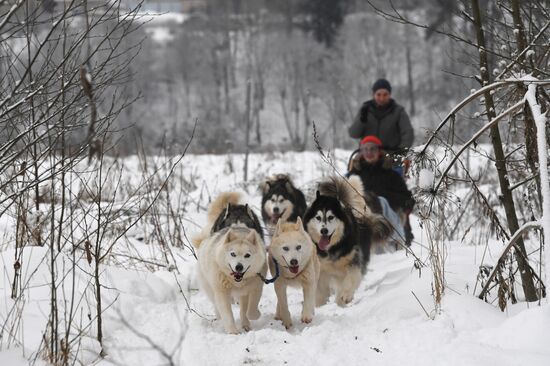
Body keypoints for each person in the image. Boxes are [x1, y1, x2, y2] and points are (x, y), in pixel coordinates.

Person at [349, 135, 415, 247]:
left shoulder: (392, 175)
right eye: (365, 149)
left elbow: (408, 201)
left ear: (379, 151)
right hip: (362, 220)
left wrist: (383, 196)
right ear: (361, 152)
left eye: (373, 149)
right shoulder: (353, 175)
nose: (369, 152)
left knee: (380, 201)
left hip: (390, 220)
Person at [349, 79, 414, 176]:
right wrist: (361, 120)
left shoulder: (398, 111)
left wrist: (400, 152)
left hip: (391, 155)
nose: (382, 98)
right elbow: (353, 134)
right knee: (353, 177)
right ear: (373, 94)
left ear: (390, 94)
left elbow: (408, 134)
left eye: (385, 94)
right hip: (368, 154)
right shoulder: (365, 109)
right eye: (378, 94)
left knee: (395, 181)